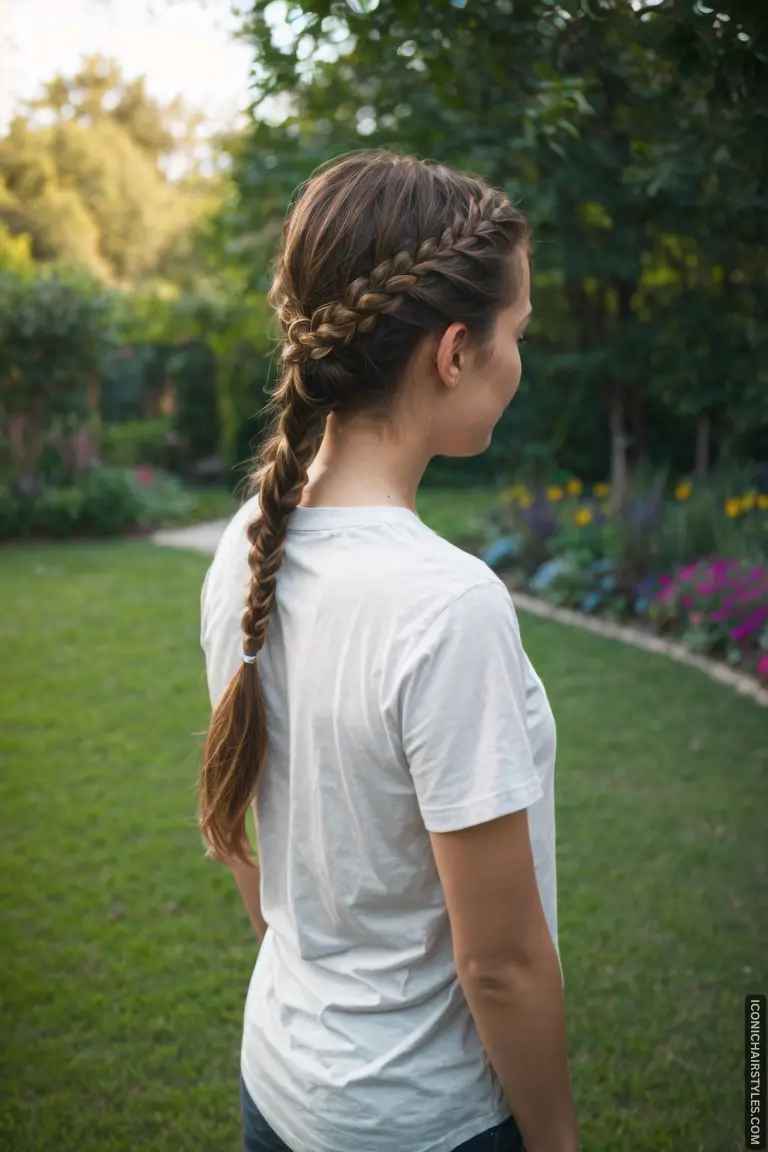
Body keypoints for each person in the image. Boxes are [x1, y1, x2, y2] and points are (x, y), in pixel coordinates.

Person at [199, 150, 579, 1152]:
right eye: (518, 334)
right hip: (424, 1122)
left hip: (280, 1083)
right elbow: (500, 966)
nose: (520, 362)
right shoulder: (447, 606)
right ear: (453, 352)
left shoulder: (244, 547)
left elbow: (247, 837)